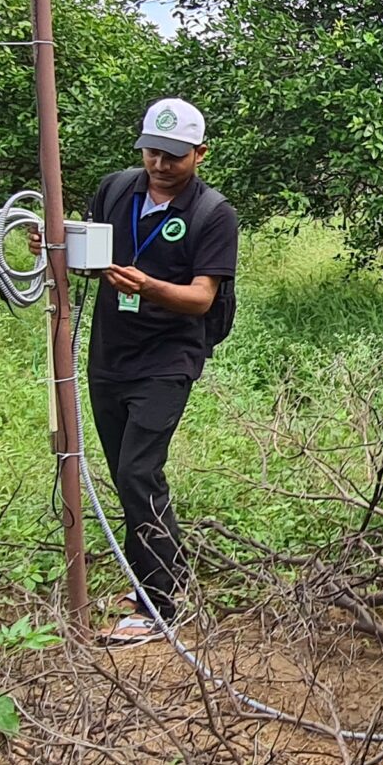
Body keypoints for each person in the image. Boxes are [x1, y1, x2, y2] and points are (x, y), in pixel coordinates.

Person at [83, 96, 239, 645]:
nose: (159, 164)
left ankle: (161, 600)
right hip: (109, 353)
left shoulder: (212, 214)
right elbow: (88, 253)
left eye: (173, 155)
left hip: (168, 358)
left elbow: (201, 298)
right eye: (152, 151)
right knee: (125, 473)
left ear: (200, 154)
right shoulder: (115, 189)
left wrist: (148, 286)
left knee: (138, 472)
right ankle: (148, 579)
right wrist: (51, 245)